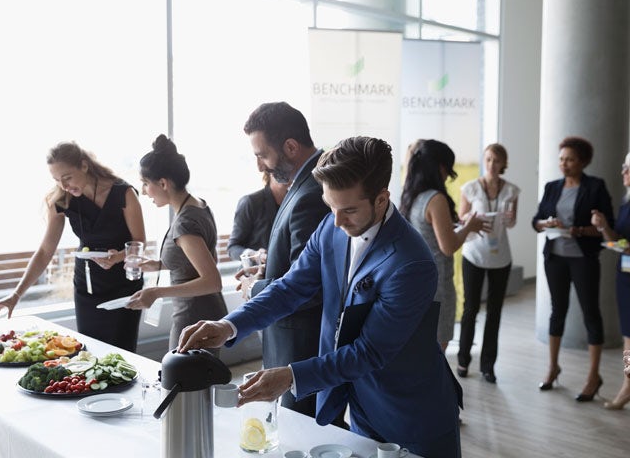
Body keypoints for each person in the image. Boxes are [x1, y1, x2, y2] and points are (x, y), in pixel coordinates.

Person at [178, 136, 463, 458]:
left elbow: (370, 351)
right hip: (361, 407)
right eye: (331, 207)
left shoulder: (412, 263)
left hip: (411, 411)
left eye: (349, 210)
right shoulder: (332, 226)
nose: (337, 221)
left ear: (382, 199)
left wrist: (290, 376)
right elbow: (291, 288)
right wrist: (229, 326)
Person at [0, 142, 145, 351]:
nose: (63, 185)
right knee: (89, 353)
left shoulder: (123, 193)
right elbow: (45, 251)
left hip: (124, 286)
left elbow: (139, 243)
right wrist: (16, 295)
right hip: (87, 288)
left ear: (84, 166)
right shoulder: (62, 200)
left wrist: (117, 257)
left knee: (122, 352)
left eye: (67, 177)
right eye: (56, 179)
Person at [240, 101, 329, 418]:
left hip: (300, 346)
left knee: (300, 433)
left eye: (262, 155)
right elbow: (296, 264)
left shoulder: (312, 194)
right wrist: (269, 268)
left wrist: (256, 287)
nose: (260, 167)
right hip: (292, 341)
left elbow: (311, 285)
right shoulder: (304, 185)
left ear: (290, 146)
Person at [125, 135, 227, 350]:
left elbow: (212, 281)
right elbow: (202, 259)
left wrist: (156, 292)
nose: (143, 191)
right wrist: (158, 264)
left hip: (194, 317)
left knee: (180, 383)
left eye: (145, 184)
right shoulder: (199, 206)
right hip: (206, 313)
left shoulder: (185, 223)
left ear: (163, 183)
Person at [532, 136, 614, 401]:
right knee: (557, 311)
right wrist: (546, 224)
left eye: (569, 160)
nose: (564, 164)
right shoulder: (552, 187)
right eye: (561, 159)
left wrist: (576, 230)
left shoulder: (595, 187)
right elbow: (536, 221)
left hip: (583, 257)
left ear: (583, 162)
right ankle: (552, 366)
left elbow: (605, 227)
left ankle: (593, 376)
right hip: (555, 257)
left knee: (591, 313)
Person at [399, 139, 487, 352]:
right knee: (437, 349)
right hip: (437, 284)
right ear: (440, 167)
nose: (449, 175)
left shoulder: (412, 196)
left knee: (419, 348)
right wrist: (470, 227)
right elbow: (448, 246)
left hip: (415, 281)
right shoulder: (436, 199)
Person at [456, 144, 520, 383]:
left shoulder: (512, 191)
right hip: (474, 254)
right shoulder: (470, 188)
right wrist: (470, 218)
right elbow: (461, 218)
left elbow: (512, 224)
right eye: (489, 159)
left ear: (504, 163)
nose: (492, 165)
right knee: (470, 309)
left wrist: (512, 218)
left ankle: (488, 366)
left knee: (495, 312)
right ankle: (463, 360)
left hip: (501, 257)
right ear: (484, 161)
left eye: (497, 161)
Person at [591, 152, 630, 409]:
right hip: (626, 273)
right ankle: (628, 385)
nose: (623, 173)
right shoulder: (627, 203)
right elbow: (618, 237)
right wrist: (604, 226)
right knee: (628, 335)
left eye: (627, 168)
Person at [227, 171, 288, 262]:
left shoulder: (297, 200)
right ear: (269, 172)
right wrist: (255, 255)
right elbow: (232, 248)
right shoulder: (250, 202)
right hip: (257, 272)